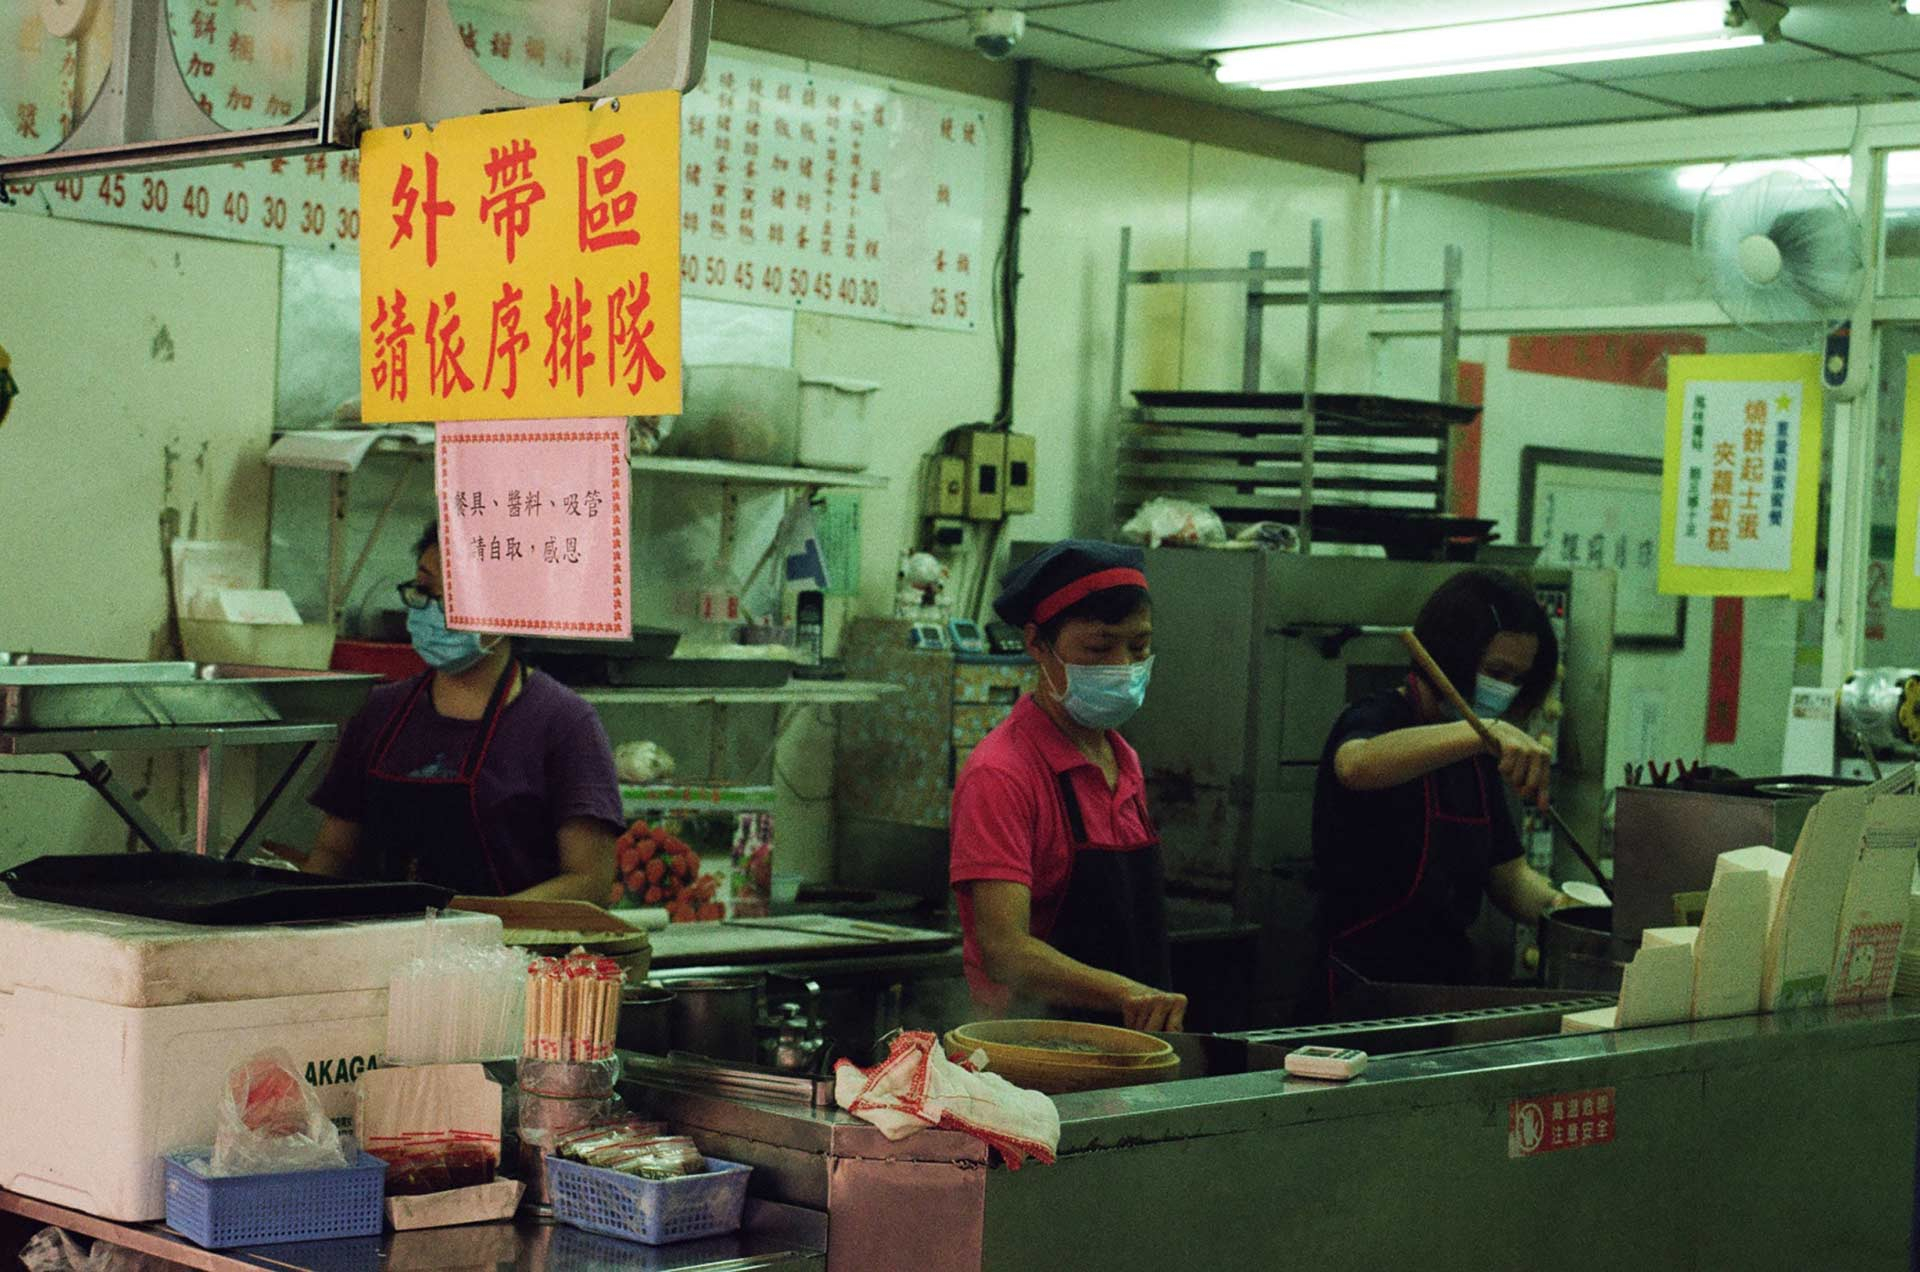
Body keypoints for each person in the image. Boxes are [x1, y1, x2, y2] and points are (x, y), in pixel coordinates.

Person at [304, 522, 622, 900]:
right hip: (385, 944)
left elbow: (589, 881)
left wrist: (473, 927)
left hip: (506, 951)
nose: (435, 611)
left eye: (456, 596)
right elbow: (333, 852)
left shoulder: (564, 722)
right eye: (424, 590)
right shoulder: (379, 711)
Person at [948, 540, 1187, 1032]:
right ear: (1037, 644)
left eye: (1138, 647)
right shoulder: (1002, 772)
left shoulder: (1124, 759)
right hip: (1029, 1056)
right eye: (1100, 648)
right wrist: (1127, 993)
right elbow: (1005, 951)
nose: (1123, 666)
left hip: (1123, 1048)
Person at [1313, 567, 1576, 1002]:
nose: (1504, 689)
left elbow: (1507, 877)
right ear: (1450, 653)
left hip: (1443, 986)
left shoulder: (1475, 755)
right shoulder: (1379, 717)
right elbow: (1355, 764)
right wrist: (1480, 731)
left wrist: (1563, 911)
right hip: (1357, 986)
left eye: (1517, 679)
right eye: (1495, 670)